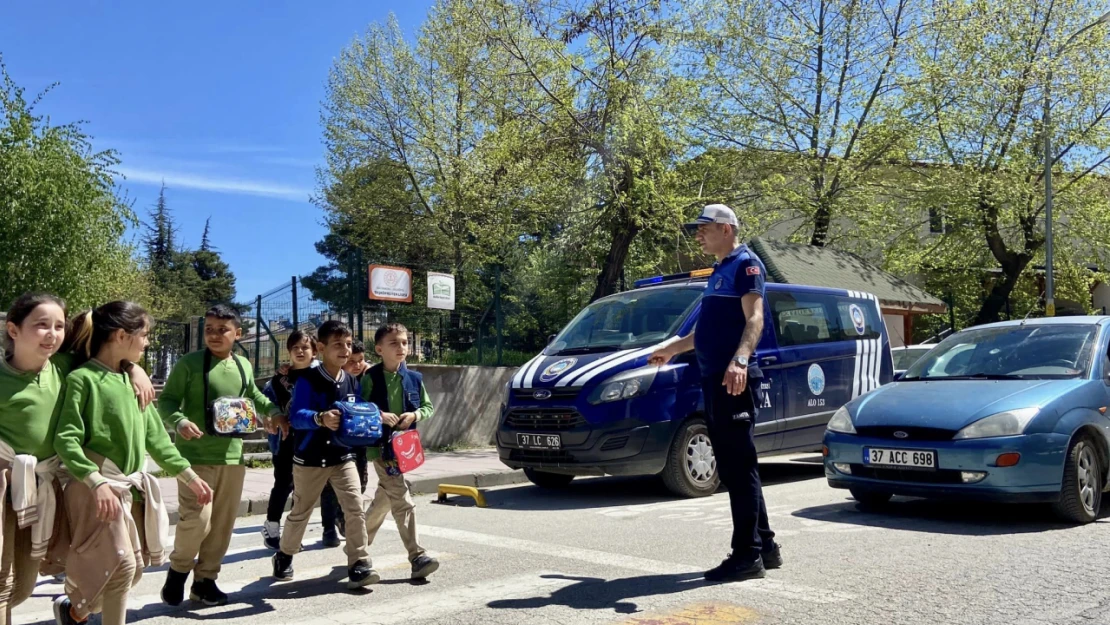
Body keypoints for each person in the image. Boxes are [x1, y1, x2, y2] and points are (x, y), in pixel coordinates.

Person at [52, 301, 213, 625]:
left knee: (133, 570)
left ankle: (74, 611)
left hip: (129, 491)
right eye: (144, 334)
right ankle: (77, 600)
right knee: (123, 568)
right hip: (94, 490)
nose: (148, 342)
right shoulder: (83, 379)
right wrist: (95, 481)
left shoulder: (134, 383)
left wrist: (189, 476)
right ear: (122, 335)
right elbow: (65, 439)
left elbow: (157, 438)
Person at [649, 204, 782, 583]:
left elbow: (755, 317)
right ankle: (766, 547)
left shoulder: (746, 264)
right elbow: (705, 332)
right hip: (715, 379)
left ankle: (746, 557)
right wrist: (671, 349)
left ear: (726, 228)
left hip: (732, 379)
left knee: (739, 468)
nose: (697, 235)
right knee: (740, 466)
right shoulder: (720, 270)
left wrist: (740, 360)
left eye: (703, 228)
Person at [157, 305, 283, 607]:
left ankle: (205, 582)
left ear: (237, 334)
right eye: (209, 329)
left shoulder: (242, 365)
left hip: (232, 457)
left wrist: (275, 412)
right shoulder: (189, 363)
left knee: (223, 524)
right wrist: (179, 421)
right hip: (194, 459)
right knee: (197, 521)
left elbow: (253, 395)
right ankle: (178, 572)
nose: (214, 334)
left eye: (222, 329)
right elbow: (169, 401)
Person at [272, 320, 375, 590]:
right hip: (310, 458)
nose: (345, 349)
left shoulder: (352, 380)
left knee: (355, 508)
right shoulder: (307, 380)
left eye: (349, 344)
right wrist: (320, 418)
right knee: (301, 512)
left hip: (343, 457)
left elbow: (356, 412)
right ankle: (284, 554)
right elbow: (296, 416)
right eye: (338, 344)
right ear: (321, 347)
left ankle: (359, 562)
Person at [362, 323, 438, 580]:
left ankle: (358, 544)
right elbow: (359, 407)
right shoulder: (370, 378)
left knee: (386, 498)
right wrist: (378, 415)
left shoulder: (415, 378)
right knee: (402, 497)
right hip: (381, 449)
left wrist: (415, 414)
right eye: (394, 343)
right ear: (379, 349)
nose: (401, 347)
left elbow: (428, 407)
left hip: (405, 449)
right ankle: (417, 555)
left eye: (405, 342)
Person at [260, 331, 317, 551]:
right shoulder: (279, 378)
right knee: (283, 483)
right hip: (284, 440)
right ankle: (272, 527)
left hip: (310, 440)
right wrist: (267, 415)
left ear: (314, 352)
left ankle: (293, 534)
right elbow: (266, 403)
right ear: (289, 352)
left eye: (305, 347)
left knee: (302, 490)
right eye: (295, 348)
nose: (300, 351)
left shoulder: (320, 376)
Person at [322, 339, 371, 543]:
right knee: (329, 487)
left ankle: (342, 517)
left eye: (361, 360)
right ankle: (328, 529)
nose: (357, 365)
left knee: (360, 482)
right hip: (334, 442)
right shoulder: (334, 380)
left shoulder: (367, 379)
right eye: (352, 361)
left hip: (358, 441)